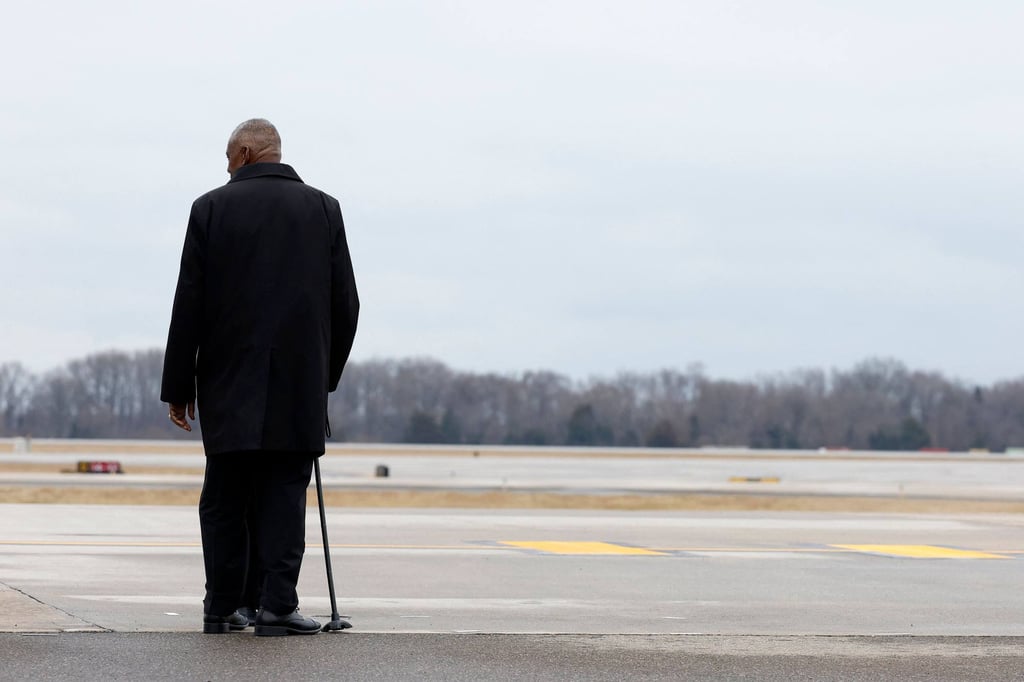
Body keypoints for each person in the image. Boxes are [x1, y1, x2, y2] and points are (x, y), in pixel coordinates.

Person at [161, 118, 359, 636]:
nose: (227, 169)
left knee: (224, 495)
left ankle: (222, 605)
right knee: (285, 494)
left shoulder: (210, 208)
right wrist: (324, 376)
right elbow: (346, 304)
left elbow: (189, 304)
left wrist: (179, 387)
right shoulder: (324, 209)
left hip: (227, 381)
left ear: (246, 153)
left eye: (229, 159)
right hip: (298, 381)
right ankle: (277, 606)